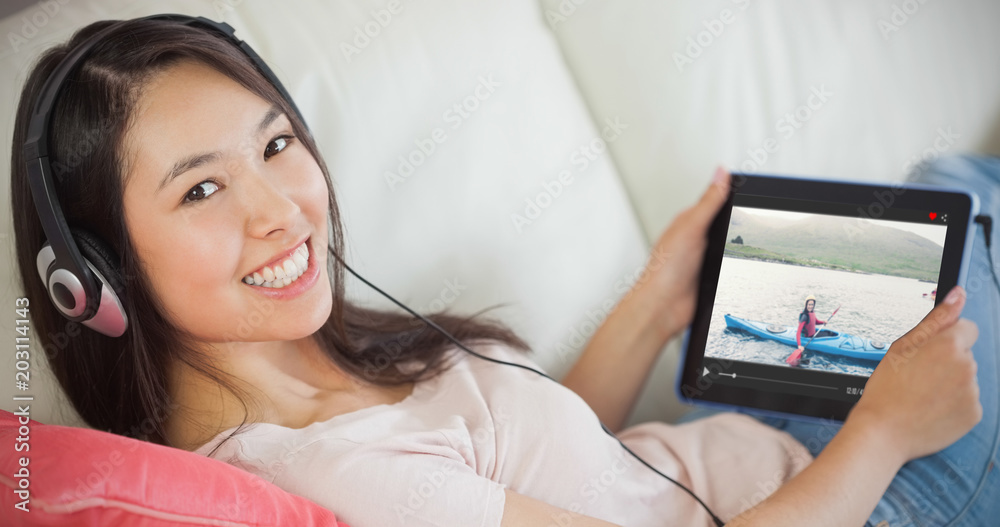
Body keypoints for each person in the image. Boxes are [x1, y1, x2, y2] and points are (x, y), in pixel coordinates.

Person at [8, 17, 996, 527]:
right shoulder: (333, 468)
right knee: (963, 198)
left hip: (757, 448)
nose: (278, 209)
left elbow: (527, 469)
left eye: (274, 146)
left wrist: (657, 298)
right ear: (94, 281)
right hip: (869, 494)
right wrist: (881, 432)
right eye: (198, 190)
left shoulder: (322, 375)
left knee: (939, 198)